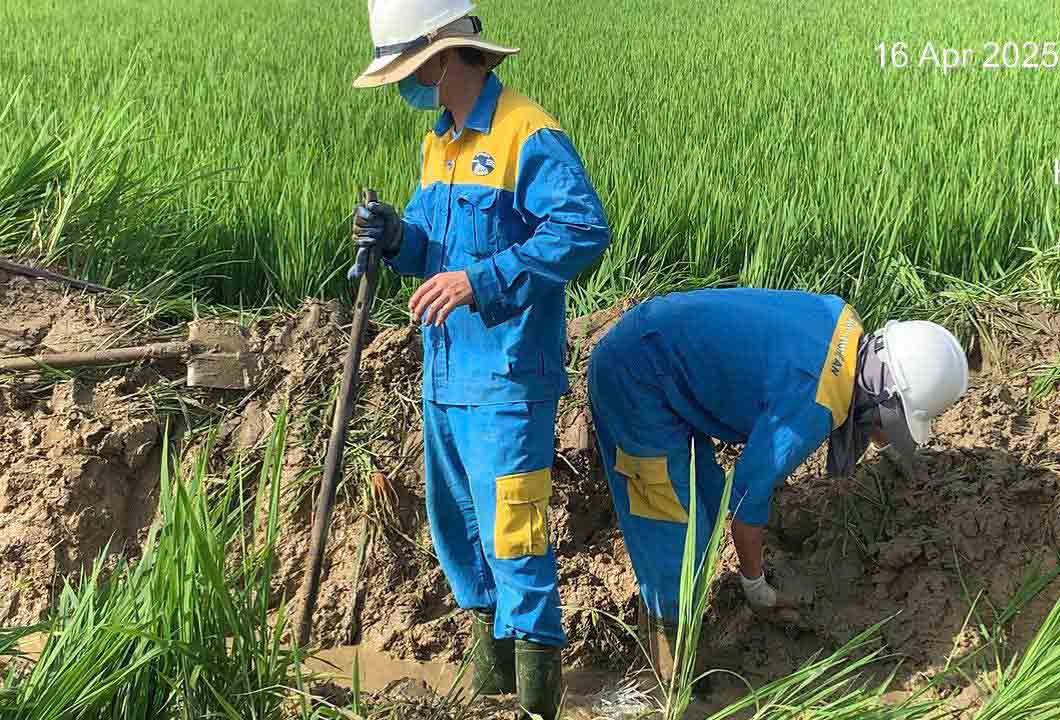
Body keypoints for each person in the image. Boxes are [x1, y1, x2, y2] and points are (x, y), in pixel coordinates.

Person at [350, 2, 611, 717]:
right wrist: (394, 235)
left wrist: (482, 280)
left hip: (506, 378)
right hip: (445, 377)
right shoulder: (441, 143)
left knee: (514, 540)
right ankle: (488, 693)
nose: (407, 84)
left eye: (408, 67)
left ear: (440, 56)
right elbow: (430, 252)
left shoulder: (527, 131)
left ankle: (535, 704)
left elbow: (585, 230)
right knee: (461, 537)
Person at [586, 288, 969, 682]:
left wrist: (900, 454)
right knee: (679, 539)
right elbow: (748, 502)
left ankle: (672, 640)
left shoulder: (845, 325)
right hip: (634, 378)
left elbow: (866, 410)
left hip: (665, 354)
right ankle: (669, 676)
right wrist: (755, 585)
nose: (884, 434)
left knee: (708, 502)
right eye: (892, 422)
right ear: (883, 401)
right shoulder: (814, 401)